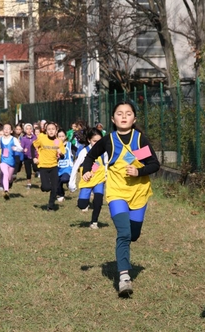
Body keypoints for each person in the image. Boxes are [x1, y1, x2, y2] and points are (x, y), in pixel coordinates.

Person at [82, 101, 160, 296]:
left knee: (133, 234)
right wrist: (86, 172)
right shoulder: (108, 140)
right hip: (116, 193)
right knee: (124, 233)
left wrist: (138, 170)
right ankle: (124, 278)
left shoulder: (139, 140)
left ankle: (126, 259)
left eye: (128, 113)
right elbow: (90, 157)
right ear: (112, 119)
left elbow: (154, 164)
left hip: (139, 193)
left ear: (134, 118)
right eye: (119, 113)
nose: (124, 116)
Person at [69, 127, 107, 229]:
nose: (98, 143)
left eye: (100, 141)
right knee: (82, 204)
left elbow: (106, 163)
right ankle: (84, 200)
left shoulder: (104, 151)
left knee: (98, 201)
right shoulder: (84, 152)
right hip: (87, 180)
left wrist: (106, 174)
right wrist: (71, 183)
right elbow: (75, 166)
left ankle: (94, 222)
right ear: (89, 140)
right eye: (95, 141)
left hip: (99, 179)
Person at [33, 122, 66, 211]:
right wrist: (34, 157)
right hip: (43, 166)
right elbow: (33, 146)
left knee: (54, 187)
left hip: (54, 166)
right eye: (49, 129)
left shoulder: (58, 141)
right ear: (46, 131)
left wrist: (60, 153)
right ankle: (44, 187)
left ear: (56, 131)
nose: (51, 131)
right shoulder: (42, 138)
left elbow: (63, 156)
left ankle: (51, 206)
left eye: (53, 129)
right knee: (46, 187)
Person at [0, 123, 23, 200]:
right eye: (5, 128)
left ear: (11, 131)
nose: (6, 130)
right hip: (3, 160)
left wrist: (16, 149)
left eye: (8, 128)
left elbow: (21, 149)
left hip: (12, 162)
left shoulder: (14, 139)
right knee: (5, 174)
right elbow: (0, 145)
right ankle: (6, 191)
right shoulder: (0, 138)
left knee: (9, 178)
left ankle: (10, 182)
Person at [56, 128, 74, 202]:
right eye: (59, 136)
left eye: (62, 136)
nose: (61, 138)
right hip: (58, 167)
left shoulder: (69, 145)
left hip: (67, 167)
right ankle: (61, 194)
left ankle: (69, 182)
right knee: (57, 181)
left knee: (64, 179)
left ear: (65, 136)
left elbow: (77, 152)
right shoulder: (55, 145)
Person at [20, 123, 38, 188]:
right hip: (27, 157)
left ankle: (38, 173)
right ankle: (29, 183)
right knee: (28, 172)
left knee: (36, 168)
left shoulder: (35, 137)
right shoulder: (23, 139)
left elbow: (38, 145)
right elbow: (21, 147)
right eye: (27, 129)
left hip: (34, 156)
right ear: (25, 130)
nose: (29, 130)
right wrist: (23, 150)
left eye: (30, 129)